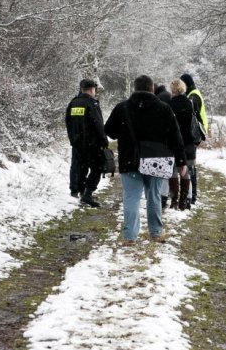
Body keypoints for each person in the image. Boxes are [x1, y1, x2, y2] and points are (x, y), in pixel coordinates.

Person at [104, 75, 186, 244]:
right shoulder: (164, 108)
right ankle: (155, 233)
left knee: (131, 198)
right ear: (152, 89)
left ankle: (129, 237)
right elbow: (175, 136)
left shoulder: (122, 108)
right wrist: (181, 161)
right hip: (156, 159)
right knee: (154, 196)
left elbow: (109, 131)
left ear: (134, 88)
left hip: (130, 159)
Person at [65, 79, 109, 207]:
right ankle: (88, 193)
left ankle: (79, 190)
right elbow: (98, 124)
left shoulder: (73, 103)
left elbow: (68, 123)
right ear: (91, 89)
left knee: (80, 167)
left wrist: (73, 140)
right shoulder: (91, 104)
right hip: (92, 143)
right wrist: (104, 141)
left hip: (77, 143)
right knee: (97, 167)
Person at [180, 73, 208, 205]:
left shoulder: (193, 96)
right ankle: (191, 194)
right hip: (195, 134)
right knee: (190, 166)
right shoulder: (194, 93)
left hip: (193, 135)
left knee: (190, 166)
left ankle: (193, 195)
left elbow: (194, 117)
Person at [168, 79, 196, 210]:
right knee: (186, 171)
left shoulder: (169, 104)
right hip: (188, 142)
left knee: (173, 171)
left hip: (173, 141)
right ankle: (184, 200)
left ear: (172, 89)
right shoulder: (189, 103)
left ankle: (174, 200)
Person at [154, 84, 172, 209]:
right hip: (169, 138)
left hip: (163, 140)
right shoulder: (168, 96)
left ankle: (163, 198)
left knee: (162, 171)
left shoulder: (159, 99)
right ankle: (166, 196)